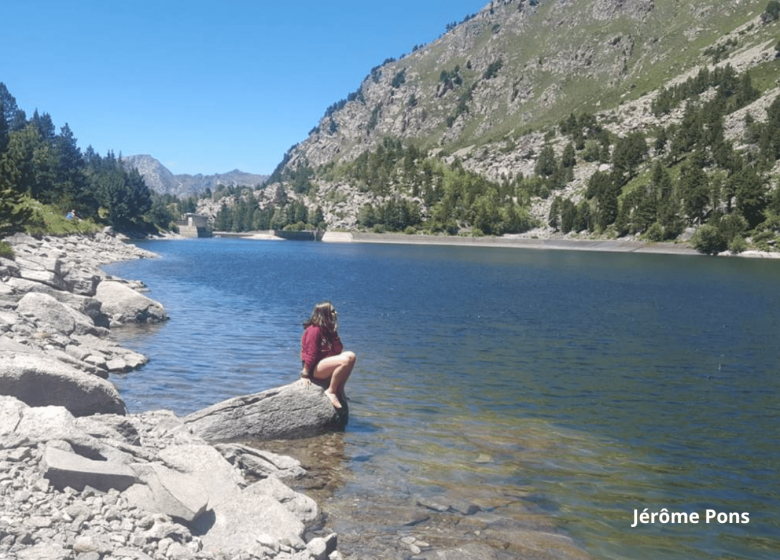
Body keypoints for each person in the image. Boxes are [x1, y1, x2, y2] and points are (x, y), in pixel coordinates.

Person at [300, 301, 356, 409]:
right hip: (314, 369)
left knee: (351, 357)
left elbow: (338, 350)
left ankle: (339, 389)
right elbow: (310, 353)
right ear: (324, 313)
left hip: (324, 365)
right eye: (332, 311)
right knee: (347, 358)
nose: (336, 312)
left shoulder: (327, 329)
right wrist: (305, 375)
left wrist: (334, 334)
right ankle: (331, 391)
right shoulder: (314, 330)